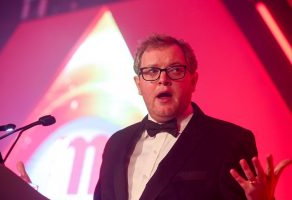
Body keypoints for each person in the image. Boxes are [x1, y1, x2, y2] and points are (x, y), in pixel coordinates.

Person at [93, 34, 291, 200]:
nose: (163, 80)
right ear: (138, 84)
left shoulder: (231, 142)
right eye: (152, 71)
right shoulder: (116, 143)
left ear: (193, 80)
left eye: (175, 70)